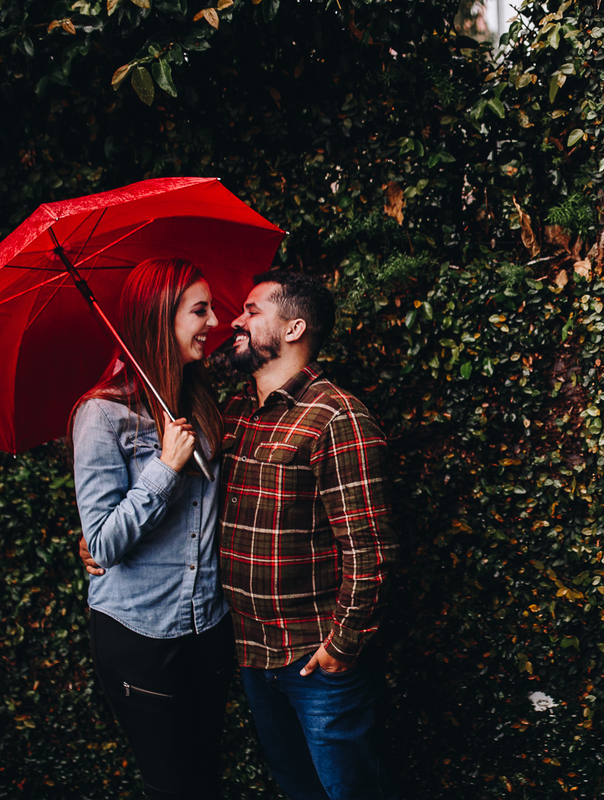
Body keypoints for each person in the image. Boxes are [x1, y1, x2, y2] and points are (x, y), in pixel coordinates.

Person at [219, 270, 399, 800]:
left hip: (314, 659)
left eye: (252, 311)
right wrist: (106, 533)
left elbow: (370, 549)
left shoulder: (336, 417)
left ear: (294, 328)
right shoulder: (235, 413)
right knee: (296, 787)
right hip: (251, 651)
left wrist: (342, 644)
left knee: (348, 791)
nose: (236, 321)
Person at [70, 257, 233, 800]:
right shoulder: (102, 416)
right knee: (173, 787)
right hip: (140, 633)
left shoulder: (200, 402)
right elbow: (103, 544)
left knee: (205, 779)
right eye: (200, 311)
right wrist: (165, 468)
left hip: (208, 625)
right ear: (162, 317)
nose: (214, 322)